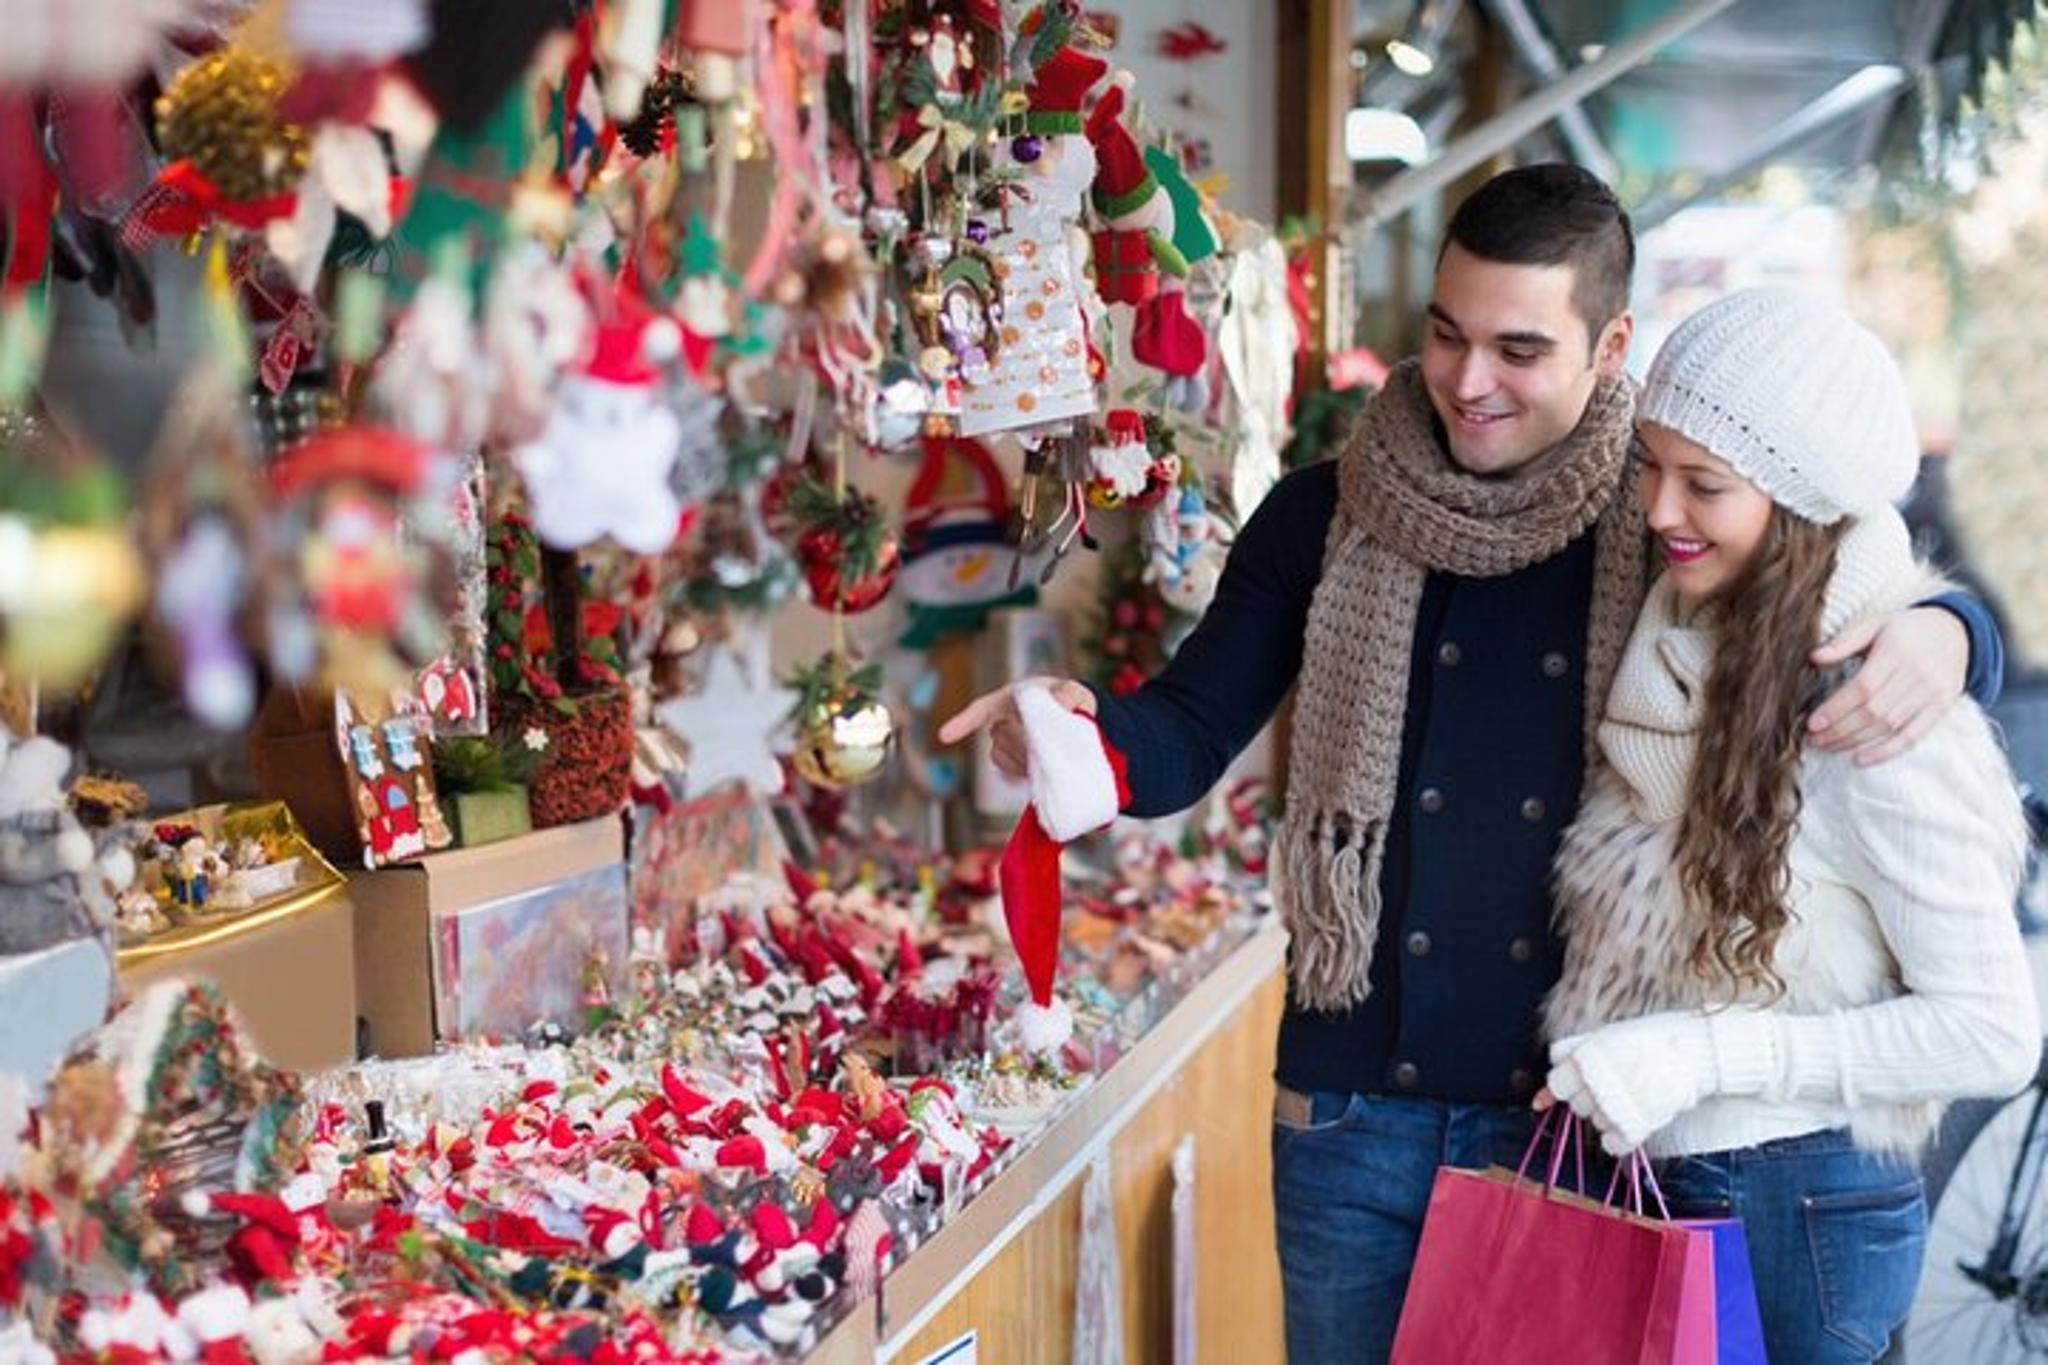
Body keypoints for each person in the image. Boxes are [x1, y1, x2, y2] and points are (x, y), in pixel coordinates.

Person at [938, 164, 2004, 1362]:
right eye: (1445, 334)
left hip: (1568, 1123)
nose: (1466, 380)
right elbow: (1186, 730)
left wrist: (1955, 635)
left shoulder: (1661, 525)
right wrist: (1083, 735)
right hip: (1347, 1112)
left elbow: (1832, 551)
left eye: (1516, 348)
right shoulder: (1321, 514)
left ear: (1609, 345)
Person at [1539, 288, 2042, 1362]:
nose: (1658, 509)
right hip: (1657, 1175)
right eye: (1649, 466)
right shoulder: (1682, 631)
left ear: (1803, 500)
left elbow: (1993, 1034)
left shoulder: (1873, 704)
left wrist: (1702, 1053)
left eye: (1703, 484)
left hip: (1790, 1204)